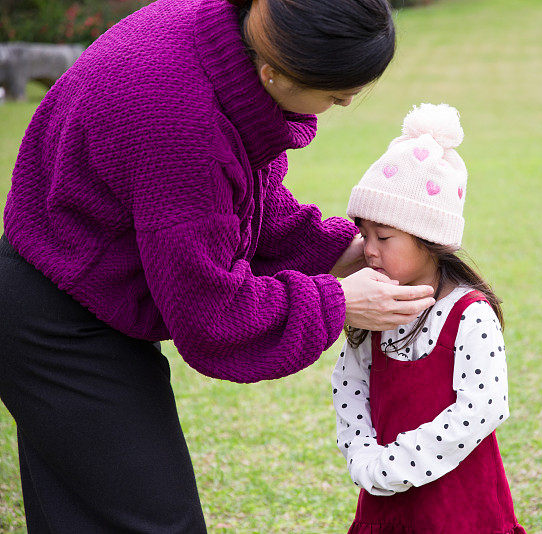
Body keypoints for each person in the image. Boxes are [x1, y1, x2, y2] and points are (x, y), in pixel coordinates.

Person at [0, 0, 436, 531]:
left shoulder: (220, 36)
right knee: (155, 522)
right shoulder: (184, 126)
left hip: (68, 272)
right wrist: (339, 302)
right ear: (274, 72)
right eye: (336, 93)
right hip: (56, 316)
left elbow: (239, 204)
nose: (345, 103)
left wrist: (340, 252)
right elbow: (212, 318)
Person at [331, 104, 527, 533]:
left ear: (431, 239)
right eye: (364, 235)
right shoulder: (373, 306)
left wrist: (395, 465)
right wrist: (363, 457)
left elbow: (483, 407)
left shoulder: (468, 313)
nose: (368, 249)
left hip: (458, 505)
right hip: (387, 505)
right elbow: (349, 384)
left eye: (384, 237)